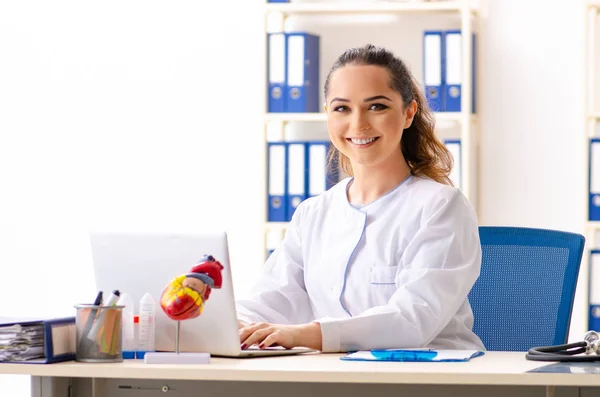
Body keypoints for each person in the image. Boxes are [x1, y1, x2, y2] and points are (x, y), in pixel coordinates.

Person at [236, 44, 485, 353]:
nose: (358, 124)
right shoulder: (312, 213)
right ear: (327, 114)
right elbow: (271, 300)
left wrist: (306, 334)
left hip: (428, 378)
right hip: (337, 376)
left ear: (409, 112)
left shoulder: (441, 206)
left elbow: (413, 319)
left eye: (377, 106)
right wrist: (229, 324)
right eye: (342, 108)